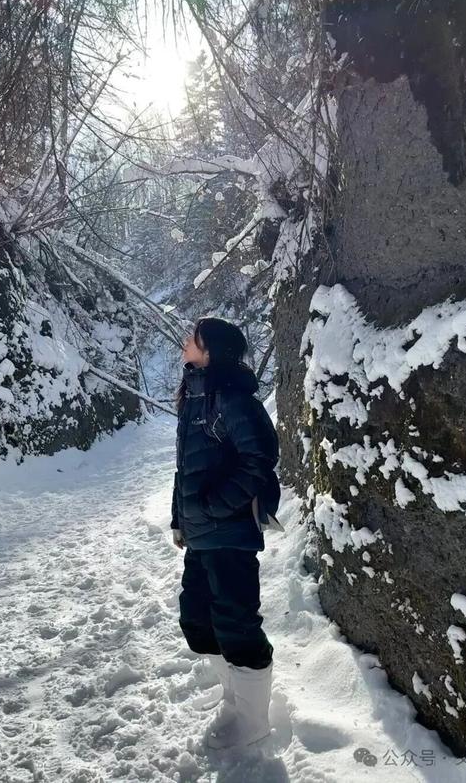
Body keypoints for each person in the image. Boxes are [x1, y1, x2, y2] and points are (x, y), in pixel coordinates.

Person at [170, 316, 282, 750]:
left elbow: (259, 460)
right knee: (198, 620)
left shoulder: (232, 399)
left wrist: (215, 506)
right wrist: (181, 517)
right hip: (200, 535)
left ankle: (253, 721)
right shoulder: (196, 397)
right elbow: (186, 468)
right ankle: (234, 701)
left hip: (229, 534)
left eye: (192, 339)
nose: (184, 343)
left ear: (210, 349)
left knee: (236, 623)